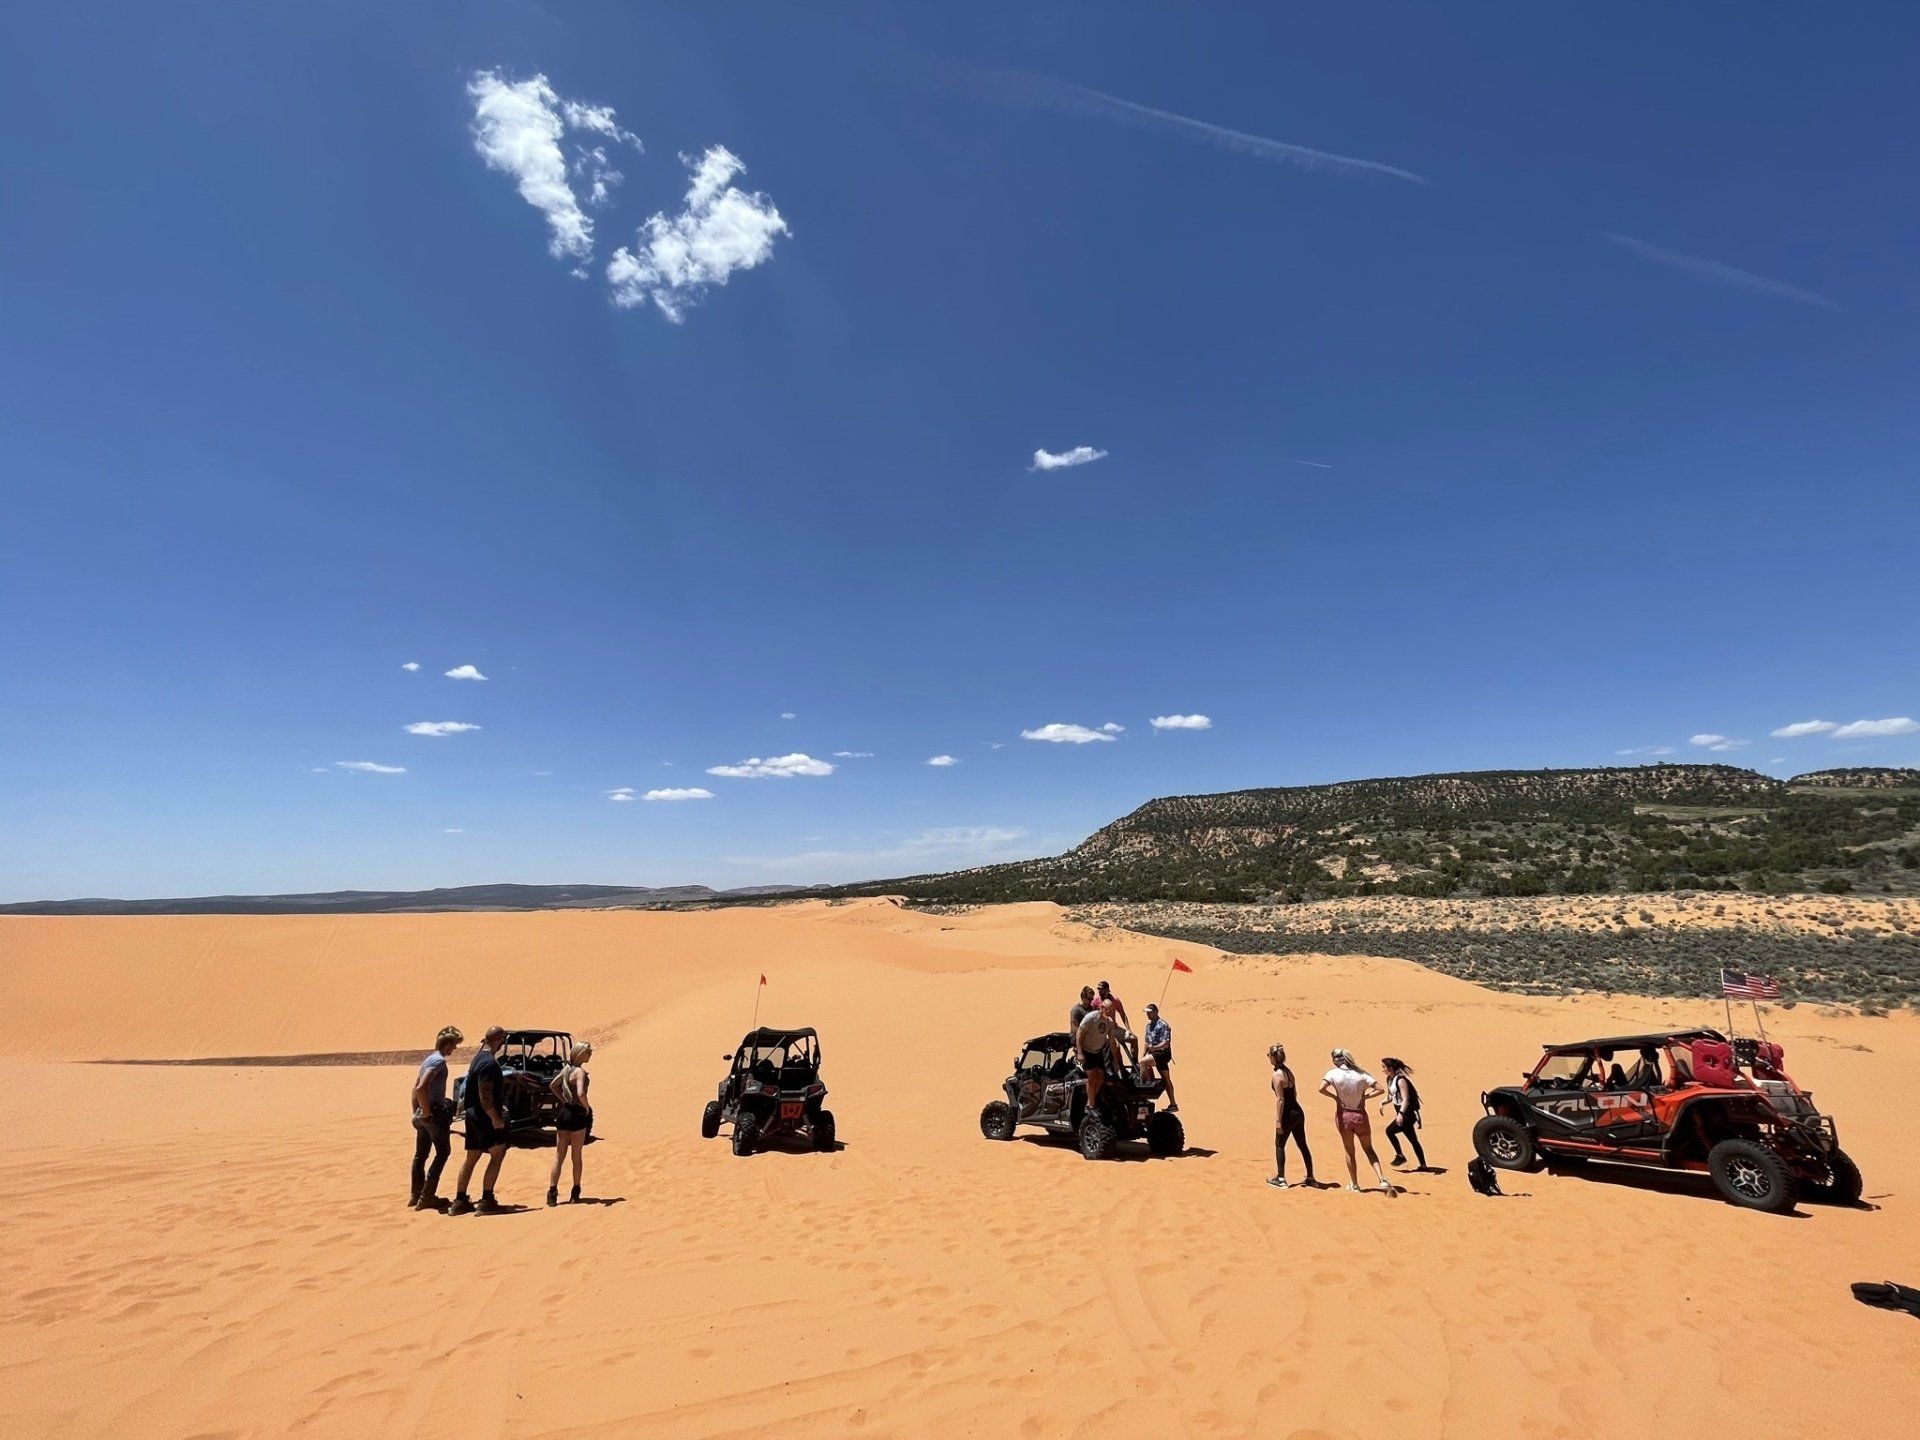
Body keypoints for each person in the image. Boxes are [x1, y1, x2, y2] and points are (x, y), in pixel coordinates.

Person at [449, 1025, 511, 1215]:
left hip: (472, 1116)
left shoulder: (477, 1058)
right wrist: (495, 1118)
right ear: (499, 1040)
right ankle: (486, 1200)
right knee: (498, 1153)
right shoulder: (490, 1063)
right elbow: (484, 1094)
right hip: (484, 1117)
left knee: (472, 1157)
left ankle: (459, 1201)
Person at [1320, 1048, 1391, 1193]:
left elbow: (1321, 1089)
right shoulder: (1361, 1074)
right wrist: (1365, 1097)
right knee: (1369, 1149)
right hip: (1360, 1116)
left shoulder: (1332, 1074)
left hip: (1344, 1115)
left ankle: (1355, 1184)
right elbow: (1380, 1089)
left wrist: (1335, 1097)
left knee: (1349, 1151)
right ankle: (1382, 1179)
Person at [410, 1025, 462, 1210]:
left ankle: (416, 1195)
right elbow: (421, 1087)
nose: (454, 1049)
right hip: (432, 1115)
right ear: (446, 1044)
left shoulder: (428, 1059)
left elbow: (415, 1088)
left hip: (423, 1115)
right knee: (443, 1152)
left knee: (421, 1155)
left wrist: (417, 1112)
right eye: (453, 1045)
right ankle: (427, 1196)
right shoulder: (438, 1061)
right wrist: (426, 1113)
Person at [547, 1041, 593, 1207]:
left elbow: (553, 1085)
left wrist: (563, 1099)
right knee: (576, 1156)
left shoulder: (566, 1070)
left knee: (559, 1156)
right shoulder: (579, 1072)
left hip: (563, 1114)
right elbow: (580, 1092)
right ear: (581, 1054)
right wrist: (586, 1107)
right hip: (576, 1115)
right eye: (588, 1052)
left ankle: (552, 1193)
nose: (590, 1054)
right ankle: (575, 1191)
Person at [1267, 1043, 1315, 1188]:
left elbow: (1280, 1099)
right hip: (1297, 1111)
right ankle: (1311, 1176)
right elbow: (1294, 1093)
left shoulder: (1277, 1075)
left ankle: (1281, 1178)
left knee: (1279, 1144)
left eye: (1269, 1056)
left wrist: (1278, 1121)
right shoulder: (1289, 1072)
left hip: (1287, 1112)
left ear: (1274, 1058)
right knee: (1302, 1145)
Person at [1378, 1056, 1427, 1170]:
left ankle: (1400, 1156)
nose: (1382, 1069)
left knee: (1389, 1131)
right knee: (1413, 1140)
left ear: (1390, 1068)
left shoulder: (1401, 1080)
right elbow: (1392, 1097)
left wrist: (1400, 1114)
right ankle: (1423, 1165)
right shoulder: (1389, 1079)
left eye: (1384, 1067)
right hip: (1402, 1113)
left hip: (1406, 1113)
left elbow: (1406, 1100)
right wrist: (1382, 1103)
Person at [1076, 999, 1121, 1112]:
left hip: (1097, 1052)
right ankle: (1091, 1105)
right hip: (1087, 1051)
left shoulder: (1110, 1023)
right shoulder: (1091, 1017)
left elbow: (1112, 1042)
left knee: (1100, 1078)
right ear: (1101, 1008)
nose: (1109, 1012)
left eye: (1111, 1010)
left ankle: (1090, 1100)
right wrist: (1080, 1052)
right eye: (1107, 1009)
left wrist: (1116, 1061)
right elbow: (1079, 1033)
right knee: (1092, 1078)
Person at [1143, 1003, 1177, 1112]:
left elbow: (1166, 1043)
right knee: (1166, 1079)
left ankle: (1146, 1089)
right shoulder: (1148, 1025)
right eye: (1147, 1012)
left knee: (1143, 1063)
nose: (1148, 1014)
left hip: (1163, 1053)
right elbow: (1146, 1042)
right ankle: (1173, 1104)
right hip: (1154, 1054)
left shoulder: (1163, 1025)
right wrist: (1144, 1054)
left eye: (1150, 1012)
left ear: (1156, 1012)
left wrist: (1154, 1048)